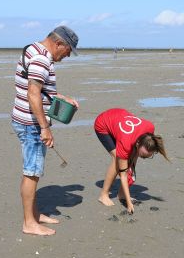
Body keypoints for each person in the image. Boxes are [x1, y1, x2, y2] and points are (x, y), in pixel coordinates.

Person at [11, 26, 79, 236]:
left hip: (25, 120)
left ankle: (35, 214)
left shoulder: (33, 49)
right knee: (32, 173)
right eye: (67, 51)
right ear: (58, 43)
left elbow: (42, 90)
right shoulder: (42, 59)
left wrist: (62, 97)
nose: (66, 56)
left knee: (33, 172)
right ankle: (29, 223)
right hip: (31, 124)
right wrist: (45, 128)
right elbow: (33, 95)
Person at [94, 108, 169, 214]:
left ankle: (121, 194)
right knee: (117, 159)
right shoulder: (126, 143)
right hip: (103, 124)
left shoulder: (149, 130)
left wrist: (131, 168)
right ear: (137, 144)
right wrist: (129, 203)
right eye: (142, 155)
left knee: (129, 164)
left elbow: (134, 157)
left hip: (119, 118)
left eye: (147, 157)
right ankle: (103, 195)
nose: (142, 158)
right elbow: (123, 175)